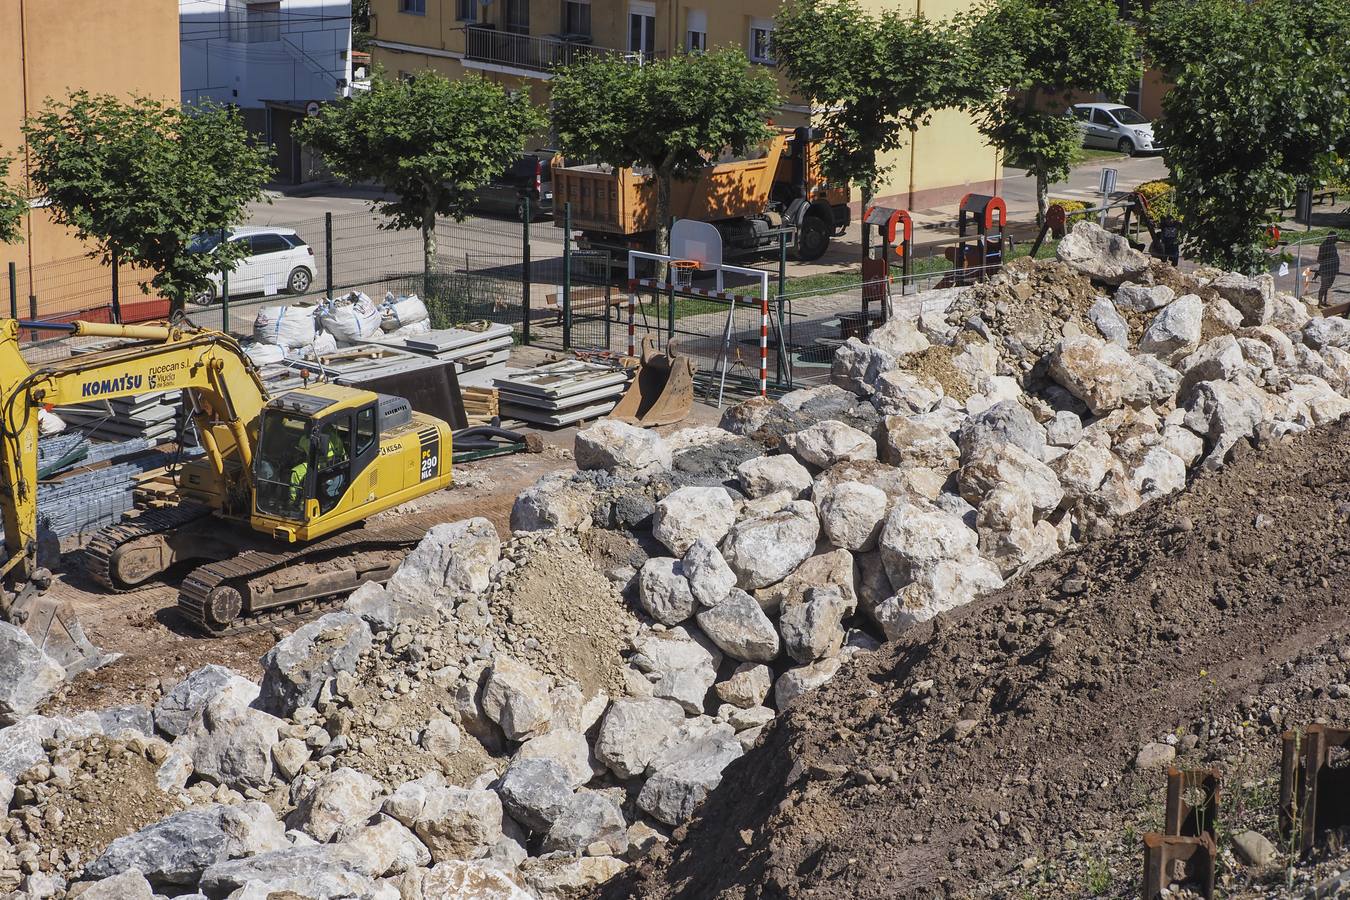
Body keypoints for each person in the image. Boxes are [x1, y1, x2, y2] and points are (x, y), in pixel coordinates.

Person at [1312, 232, 1342, 306]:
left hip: (1332, 270)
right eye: (1335, 238)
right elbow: (1319, 259)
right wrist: (1326, 264)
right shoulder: (1325, 246)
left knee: (1327, 286)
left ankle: (1324, 301)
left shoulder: (1332, 245)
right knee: (1324, 286)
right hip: (1327, 270)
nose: (1336, 240)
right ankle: (1319, 302)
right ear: (1331, 238)